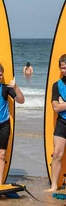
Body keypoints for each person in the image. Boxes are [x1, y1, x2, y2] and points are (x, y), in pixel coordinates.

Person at [44, 54, 66, 192]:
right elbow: (56, 107)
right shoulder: (56, 85)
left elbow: (60, 105)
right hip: (62, 122)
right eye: (63, 67)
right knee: (57, 153)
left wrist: (63, 103)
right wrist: (60, 105)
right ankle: (53, 186)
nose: (65, 70)